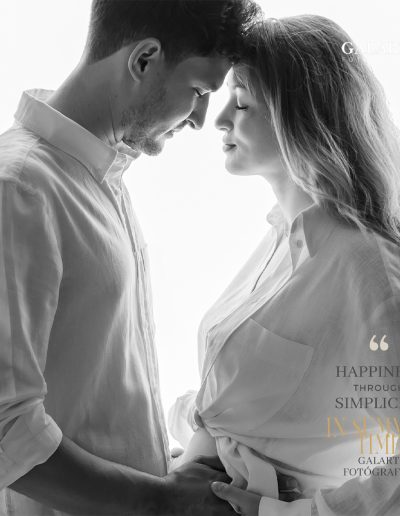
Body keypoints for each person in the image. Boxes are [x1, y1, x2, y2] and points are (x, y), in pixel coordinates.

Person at [0, 1, 267, 515]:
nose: (200, 120)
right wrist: (162, 500)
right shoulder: (19, 189)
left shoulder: (99, 180)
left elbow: (91, 389)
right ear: (144, 59)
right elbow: (6, 430)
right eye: (200, 91)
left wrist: (160, 464)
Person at [169, 15, 400, 516]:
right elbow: (252, 408)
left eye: (241, 102)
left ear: (301, 117)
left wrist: (294, 514)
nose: (219, 119)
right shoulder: (280, 238)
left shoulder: (366, 266)